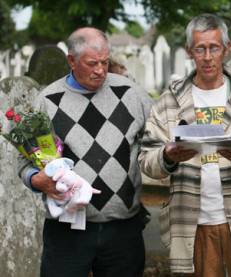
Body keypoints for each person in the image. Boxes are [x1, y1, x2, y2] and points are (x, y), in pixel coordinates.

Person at [138, 14, 231, 276]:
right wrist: (168, 156)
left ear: (226, 49)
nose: (207, 56)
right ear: (189, 52)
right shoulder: (170, 100)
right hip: (192, 226)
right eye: (200, 48)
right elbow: (146, 160)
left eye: (214, 48)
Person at [18, 27, 153, 277]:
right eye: (92, 63)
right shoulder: (48, 101)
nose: (100, 70)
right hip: (67, 231)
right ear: (71, 60)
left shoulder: (131, 94)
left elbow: (155, 143)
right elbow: (24, 162)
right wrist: (37, 180)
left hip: (123, 230)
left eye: (105, 62)